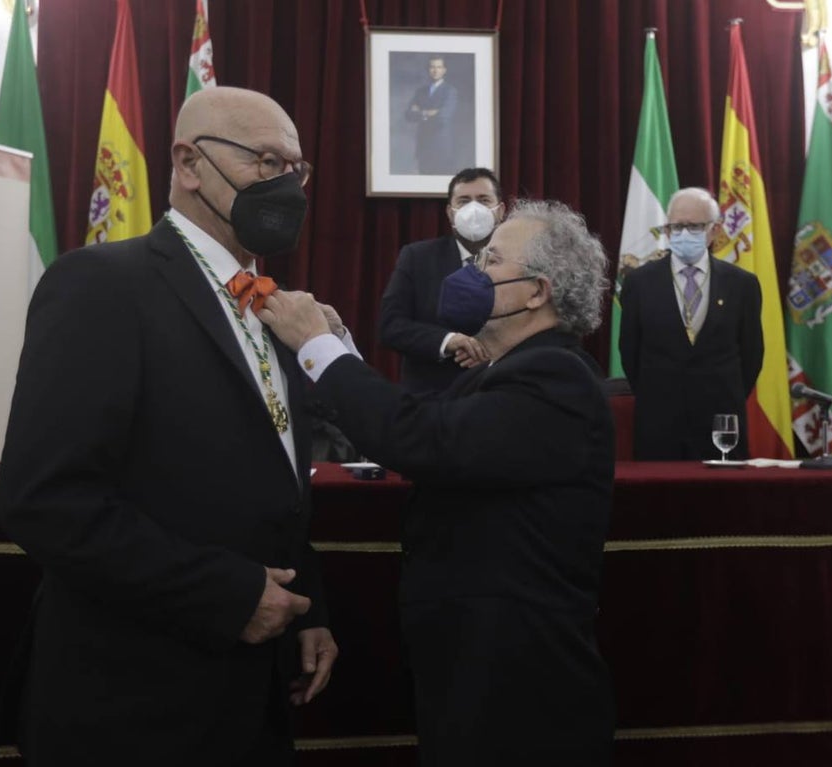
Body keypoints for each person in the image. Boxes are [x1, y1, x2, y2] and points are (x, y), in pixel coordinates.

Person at [0, 87, 343, 767]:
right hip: (131, 704)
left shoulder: (276, 310)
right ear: (188, 165)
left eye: (296, 169)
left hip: (252, 703)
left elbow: (275, 483)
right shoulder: (100, 285)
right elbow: (44, 500)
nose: (286, 186)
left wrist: (312, 607)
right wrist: (228, 595)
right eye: (266, 161)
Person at [260, 199, 616, 766]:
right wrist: (341, 341)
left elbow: (421, 439)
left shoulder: (555, 377)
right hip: (476, 658)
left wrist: (315, 347)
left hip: (517, 677)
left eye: (491, 260)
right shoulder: (500, 373)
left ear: (536, 292)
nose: (471, 272)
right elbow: (419, 420)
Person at [619, 187, 764, 460]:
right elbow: (630, 352)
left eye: (694, 226)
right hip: (659, 425)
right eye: (677, 227)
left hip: (721, 424)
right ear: (667, 229)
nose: (684, 234)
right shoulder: (638, 283)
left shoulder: (742, 285)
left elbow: (751, 355)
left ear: (715, 230)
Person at [378, 167, 503, 393]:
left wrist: (495, 348)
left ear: (500, 210)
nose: (473, 209)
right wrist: (448, 341)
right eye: (463, 201)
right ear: (450, 212)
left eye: (484, 200)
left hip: (501, 391)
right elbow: (391, 326)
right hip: (433, 397)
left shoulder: (521, 262)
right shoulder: (417, 258)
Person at [405, 55, 458, 174]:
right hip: (423, 145)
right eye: (432, 67)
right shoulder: (420, 91)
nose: (435, 70)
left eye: (439, 67)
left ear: (444, 70)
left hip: (441, 146)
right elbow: (408, 115)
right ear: (428, 70)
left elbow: (443, 117)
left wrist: (420, 112)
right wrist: (429, 112)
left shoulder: (450, 91)